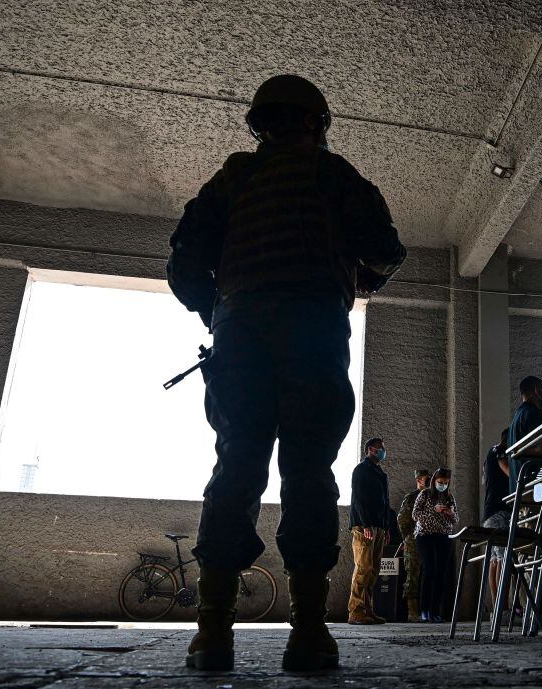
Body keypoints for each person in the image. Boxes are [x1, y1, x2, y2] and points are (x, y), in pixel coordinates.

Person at [167, 74, 406, 673]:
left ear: (260, 125)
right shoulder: (332, 175)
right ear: (316, 124)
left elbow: (185, 262)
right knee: (308, 474)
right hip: (315, 335)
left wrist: (219, 311)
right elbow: (385, 249)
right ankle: (309, 632)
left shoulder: (234, 177)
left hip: (241, 337)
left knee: (236, 469)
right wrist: (357, 280)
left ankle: (212, 633)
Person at [348, 438, 392, 625]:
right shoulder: (361, 470)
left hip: (379, 527)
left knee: (373, 570)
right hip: (364, 526)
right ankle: (356, 611)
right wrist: (365, 524)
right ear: (370, 449)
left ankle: (367, 609)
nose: (383, 451)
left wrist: (386, 527)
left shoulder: (380, 473)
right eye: (380, 448)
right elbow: (359, 499)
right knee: (363, 568)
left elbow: (385, 502)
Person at [412, 468, 459, 622]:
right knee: (430, 568)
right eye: (440, 482)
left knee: (441, 572)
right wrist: (434, 510)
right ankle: (424, 610)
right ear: (434, 481)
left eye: (446, 483)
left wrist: (451, 513)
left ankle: (435, 611)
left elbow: (456, 519)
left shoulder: (449, 497)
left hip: (444, 536)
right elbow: (415, 514)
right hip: (425, 535)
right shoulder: (425, 494)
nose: (442, 485)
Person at [507, 376, 542, 495]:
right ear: (537, 391)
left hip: (517, 491)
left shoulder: (514, 422)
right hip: (536, 489)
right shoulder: (539, 416)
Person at [482, 430, 511, 615]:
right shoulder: (500, 451)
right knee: (503, 558)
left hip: (489, 513)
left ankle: (497, 608)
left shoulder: (491, 452)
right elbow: (507, 470)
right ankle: (503, 608)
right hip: (501, 512)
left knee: (494, 560)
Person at [397, 469, 430, 621]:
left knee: (427, 575)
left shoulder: (432, 496)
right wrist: (408, 537)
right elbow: (402, 519)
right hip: (414, 540)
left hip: (429, 539)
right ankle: (412, 611)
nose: (428, 481)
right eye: (425, 478)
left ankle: (427, 610)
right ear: (418, 480)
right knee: (413, 574)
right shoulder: (412, 497)